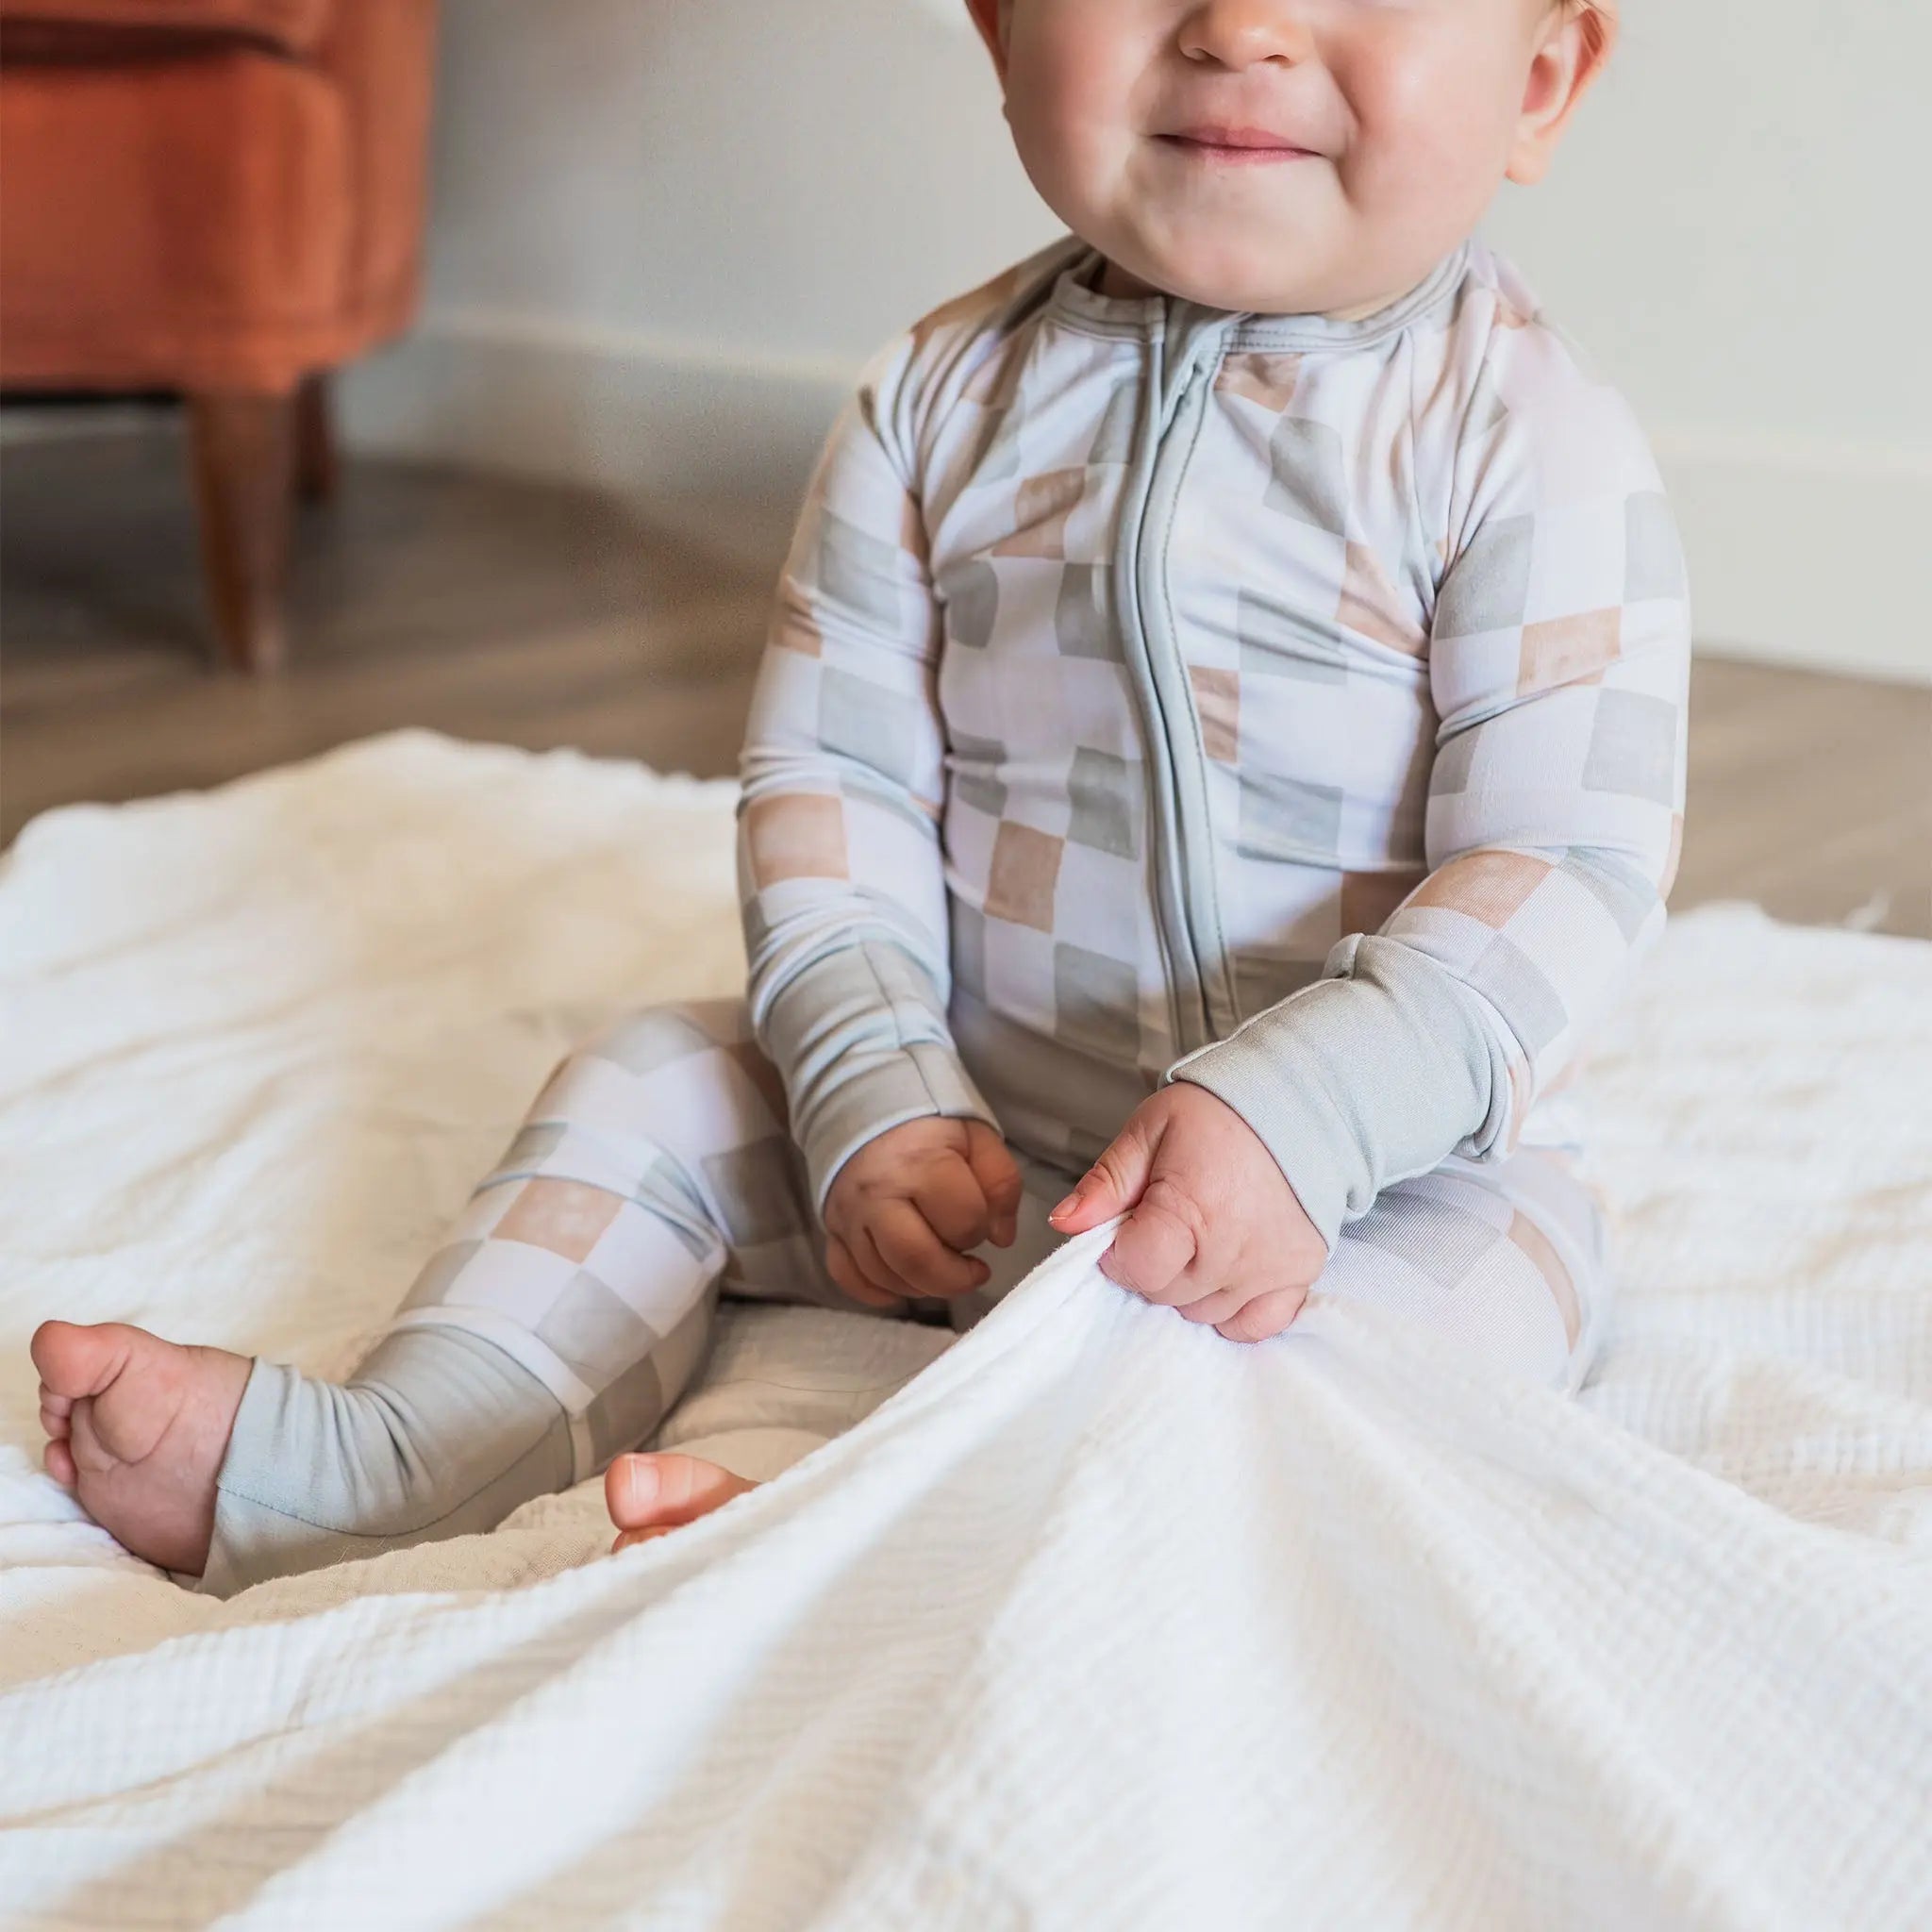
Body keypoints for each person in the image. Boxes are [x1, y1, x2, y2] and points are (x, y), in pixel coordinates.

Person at [33, 0, 1687, 1593]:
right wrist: (869, 1080)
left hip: (1366, 1188)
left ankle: (912, 1553)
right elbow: (835, 782)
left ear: (1541, 80)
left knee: (1430, 1347)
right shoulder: (938, 400)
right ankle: (405, 1457)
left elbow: (1563, 862)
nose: (1242, 25)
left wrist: (1310, 1120)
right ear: (999, 28)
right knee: (656, 1082)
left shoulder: (1527, 440)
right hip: (967, 1141)